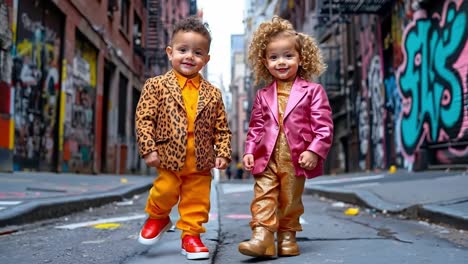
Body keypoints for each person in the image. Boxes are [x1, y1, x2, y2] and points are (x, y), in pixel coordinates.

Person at [135, 16, 232, 260]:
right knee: (164, 189)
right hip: (168, 157)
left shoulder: (213, 94)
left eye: (197, 52)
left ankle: (191, 236)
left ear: (206, 59)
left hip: (200, 160)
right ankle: (158, 216)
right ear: (170, 52)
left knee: (197, 201)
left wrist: (223, 152)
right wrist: (148, 148)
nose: (189, 56)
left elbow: (222, 128)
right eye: (182, 50)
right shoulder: (155, 85)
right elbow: (144, 119)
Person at [238, 16, 333, 258]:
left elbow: (324, 125)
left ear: (301, 58)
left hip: (296, 156)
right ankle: (262, 236)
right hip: (266, 155)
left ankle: (288, 234)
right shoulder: (262, 95)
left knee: (290, 198)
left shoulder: (313, 91)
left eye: (288, 56)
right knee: (264, 194)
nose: (281, 62)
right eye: (274, 57)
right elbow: (256, 126)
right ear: (265, 62)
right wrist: (249, 150)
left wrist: (314, 150)